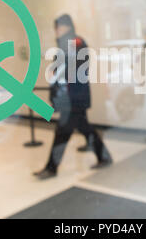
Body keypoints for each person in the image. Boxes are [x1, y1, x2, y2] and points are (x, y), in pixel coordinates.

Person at [34, 14, 112, 180]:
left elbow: (73, 69)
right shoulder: (65, 44)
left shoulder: (75, 43)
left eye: (59, 27)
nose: (56, 31)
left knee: (62, 133)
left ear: (67, 27)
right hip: (71, 98)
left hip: (74, 99)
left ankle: (51, 168)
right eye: (56, 27)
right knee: (84, 129)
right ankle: (104, 156)